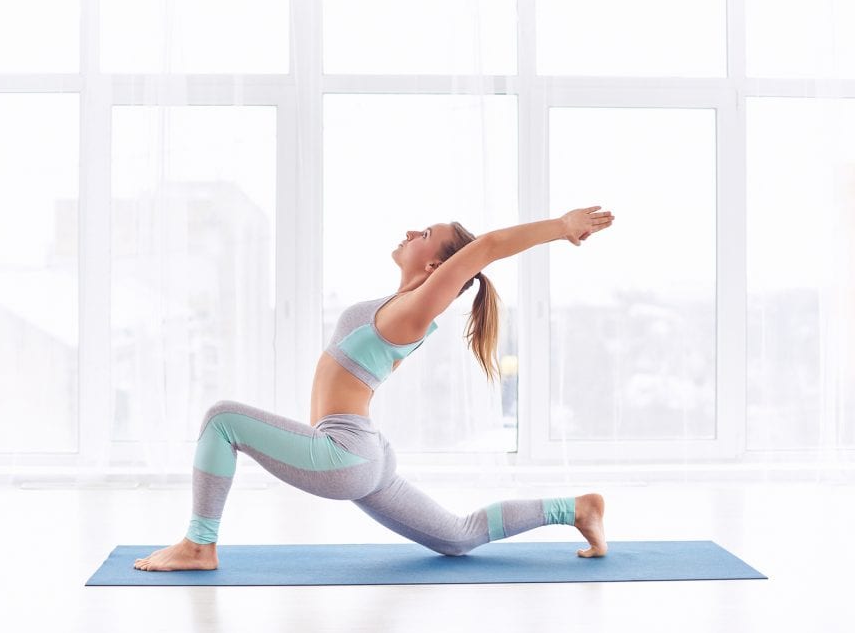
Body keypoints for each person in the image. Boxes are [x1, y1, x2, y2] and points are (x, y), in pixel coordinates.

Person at [134, 206, 616, 571]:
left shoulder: (414, 310)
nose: (411, 233)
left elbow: (488, 247)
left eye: (426, 236)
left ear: (437, 269)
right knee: (456, 537)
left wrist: (561, 225)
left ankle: (199, 544)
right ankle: (575, 508)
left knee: (222, 418)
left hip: (344, 453)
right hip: (365, 453)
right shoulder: (401, 304)